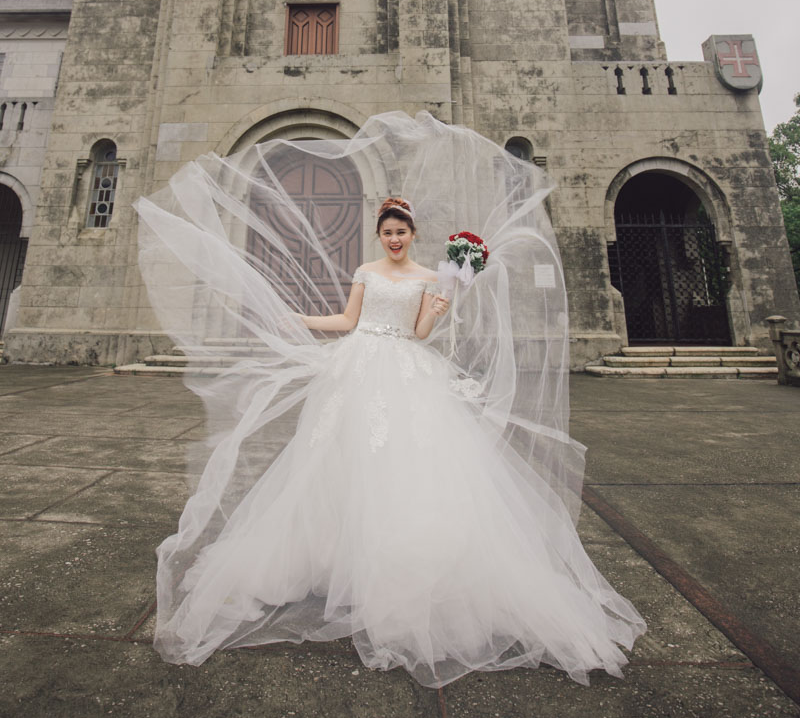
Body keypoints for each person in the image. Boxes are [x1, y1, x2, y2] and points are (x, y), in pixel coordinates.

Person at [135, 111, 645, 687]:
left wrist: (444, 301)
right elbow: (349, 320)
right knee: (336, 460)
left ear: (413, 234)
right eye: (388, 231)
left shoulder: (432, 275)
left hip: (405, 369)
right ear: (380, 233)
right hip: (358, 368)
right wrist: (299, 318)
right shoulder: (365, 269)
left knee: (408, 463)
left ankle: (405, 571)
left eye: (401, 231)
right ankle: (338, 559)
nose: (395, 238)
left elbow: (422, 334)